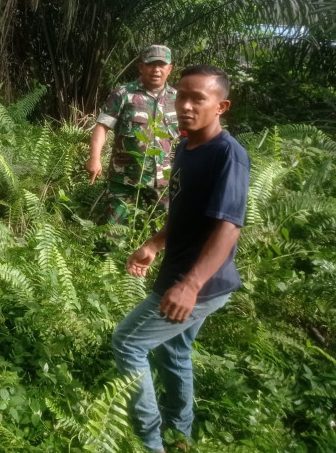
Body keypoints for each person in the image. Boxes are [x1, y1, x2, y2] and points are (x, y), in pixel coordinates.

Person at [112, 65, 250, 453]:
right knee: (175, 350)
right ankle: (180, 436)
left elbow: (229, 227)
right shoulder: (188, 146)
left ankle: (151, 442)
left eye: (198, 99)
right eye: (182, 97)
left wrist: (190, 285)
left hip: (198, 284)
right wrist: (155, 244)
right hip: (186, 274)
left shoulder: (228, 155)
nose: (186, 106)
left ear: (221, 105)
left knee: (127, 343)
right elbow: (184, 210)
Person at [87, 45, 180, 225]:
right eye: (151, 64)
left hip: (162, 182)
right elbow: (102, 127)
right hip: (125, 180)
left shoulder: (178, 98)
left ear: (170, 69)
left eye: (162, 65)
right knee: (111, 236)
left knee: (164, 236)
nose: (156, 70)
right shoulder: (124, 94)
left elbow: (190, 136)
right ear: (141, 67)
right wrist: (94, 158)